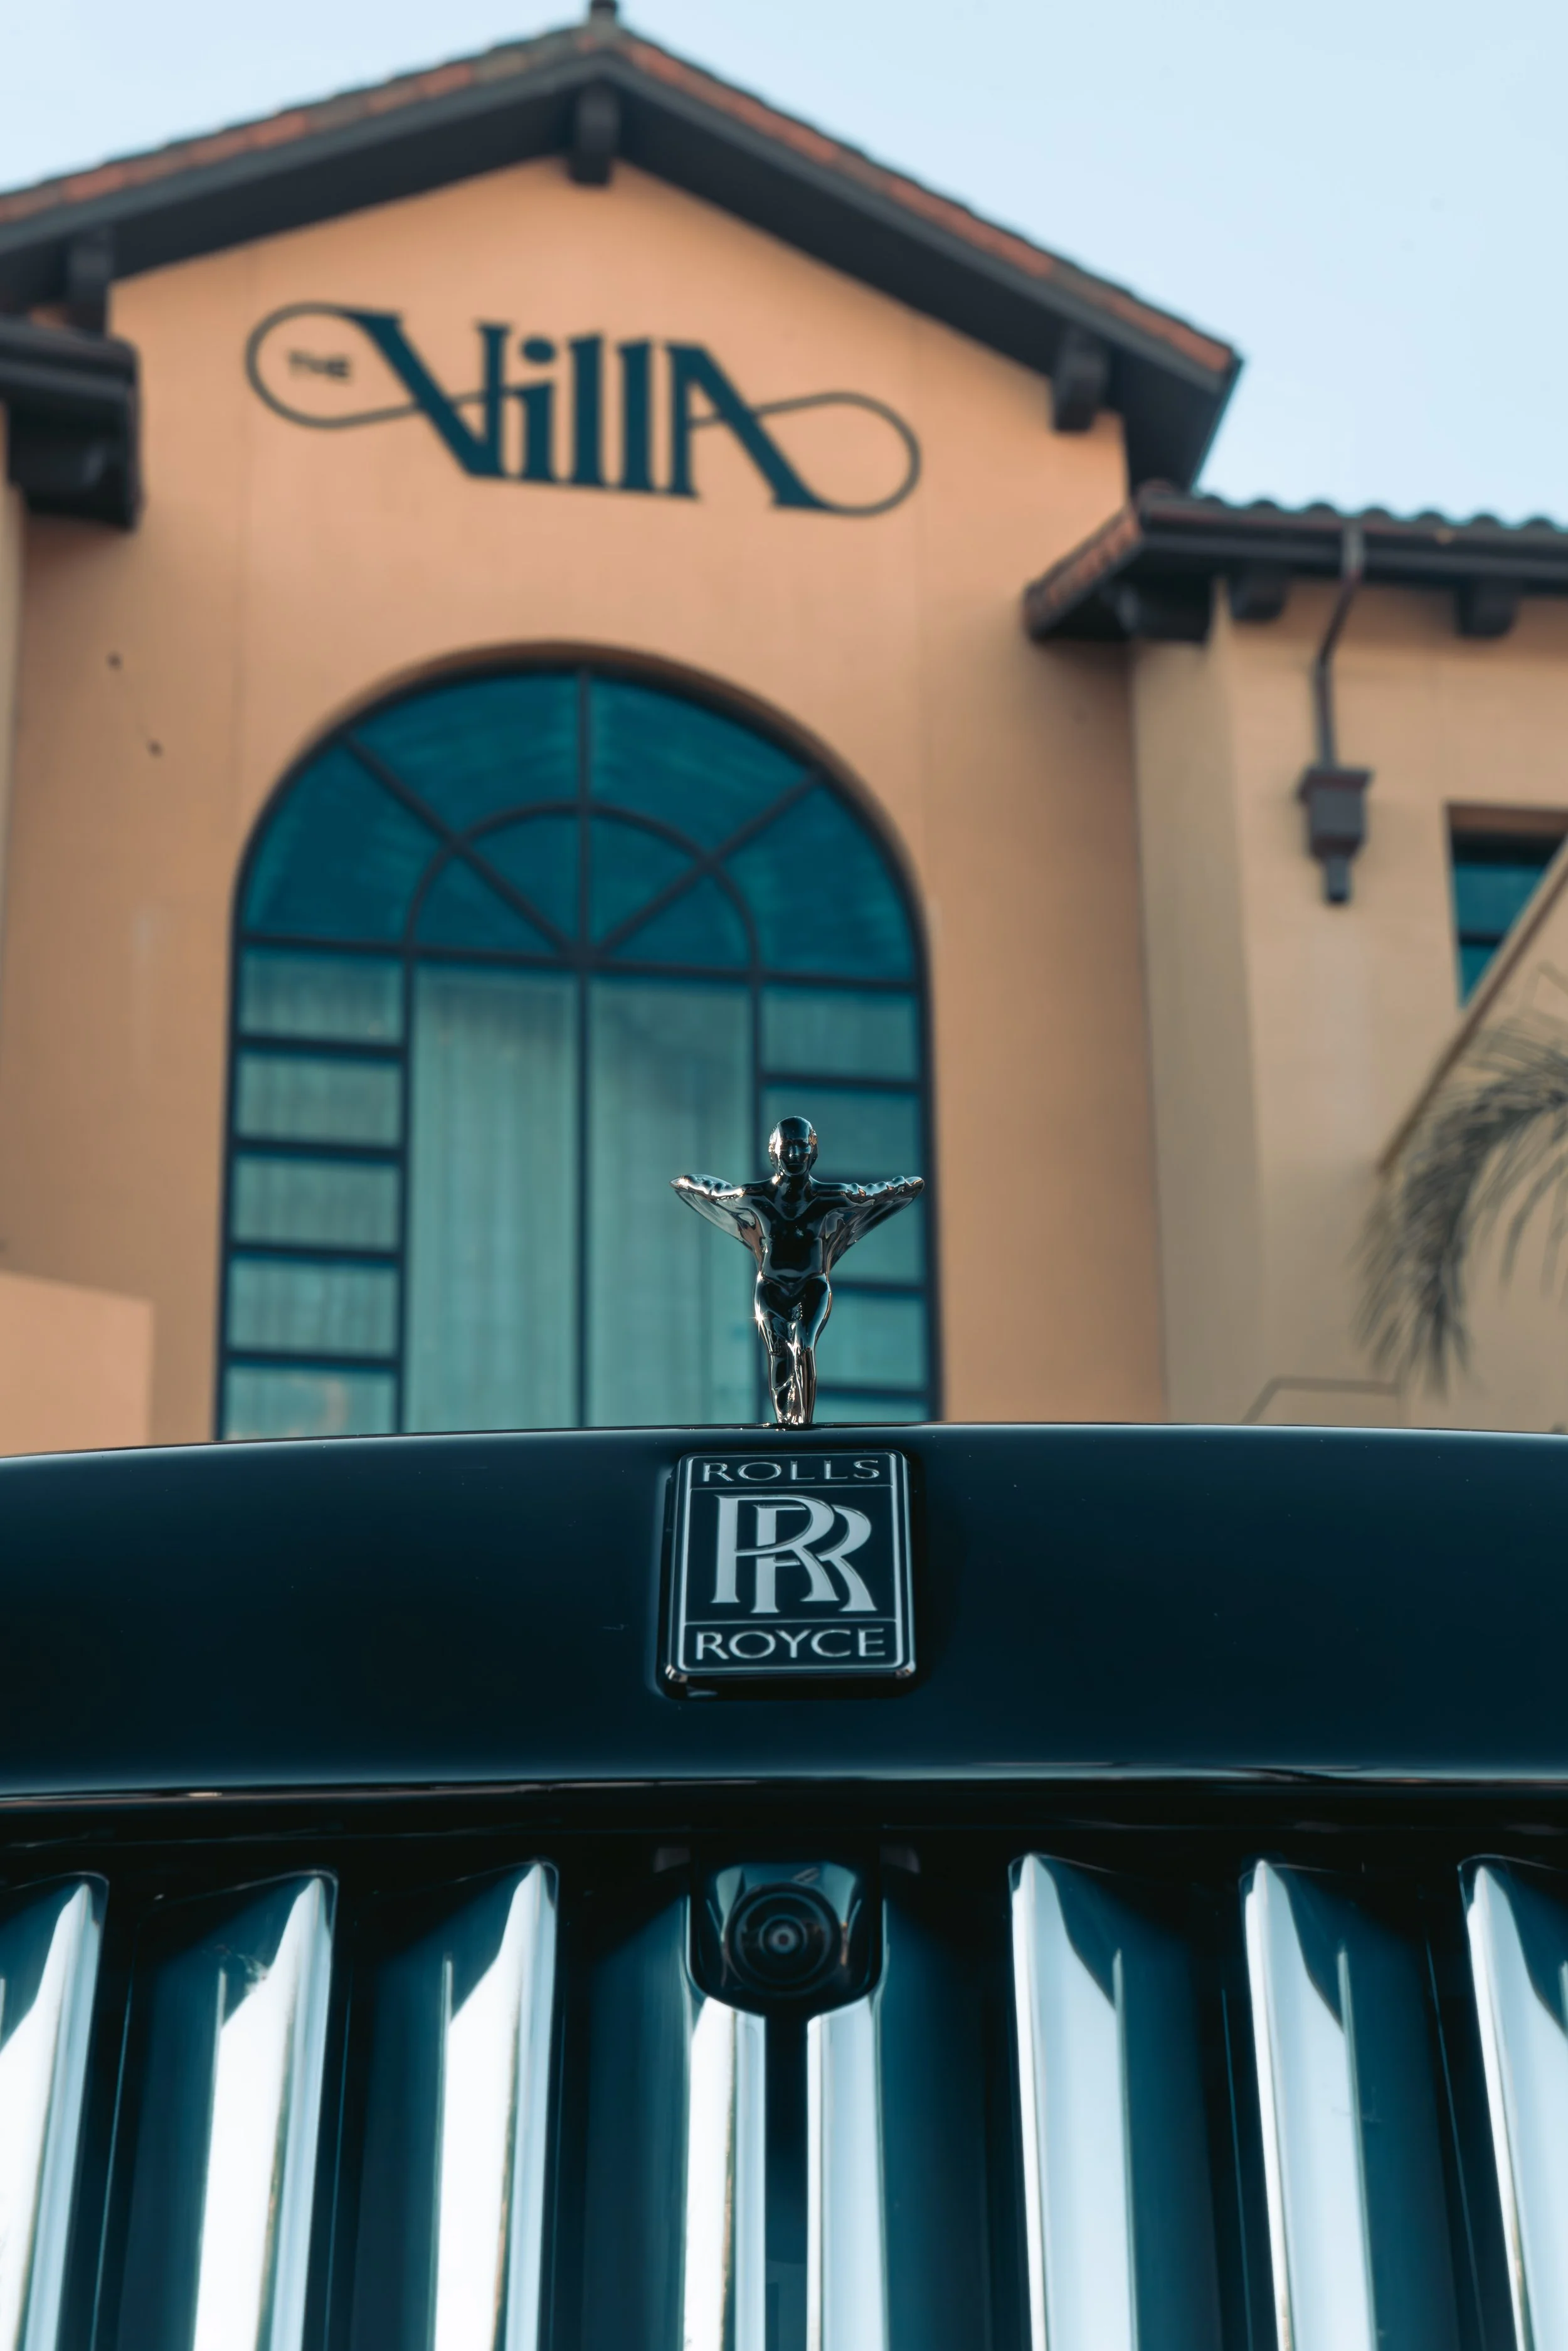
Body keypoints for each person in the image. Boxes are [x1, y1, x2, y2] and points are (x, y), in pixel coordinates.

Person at [673, 1116, 923, 1427]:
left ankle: (802, 1424)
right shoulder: (756, 1196)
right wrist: (687, 1183)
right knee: (778, 1355)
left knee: (803, 1344)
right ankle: (786, 1424)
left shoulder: (832, 1197)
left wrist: (905, 1187)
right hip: (772, 1289)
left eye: (802, 1147)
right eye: (788, 1148)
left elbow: (872, 1194)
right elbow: (717, 1193)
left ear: (813, 1153)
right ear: (774, 1152)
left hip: (812, 1286)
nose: (794, 1156)